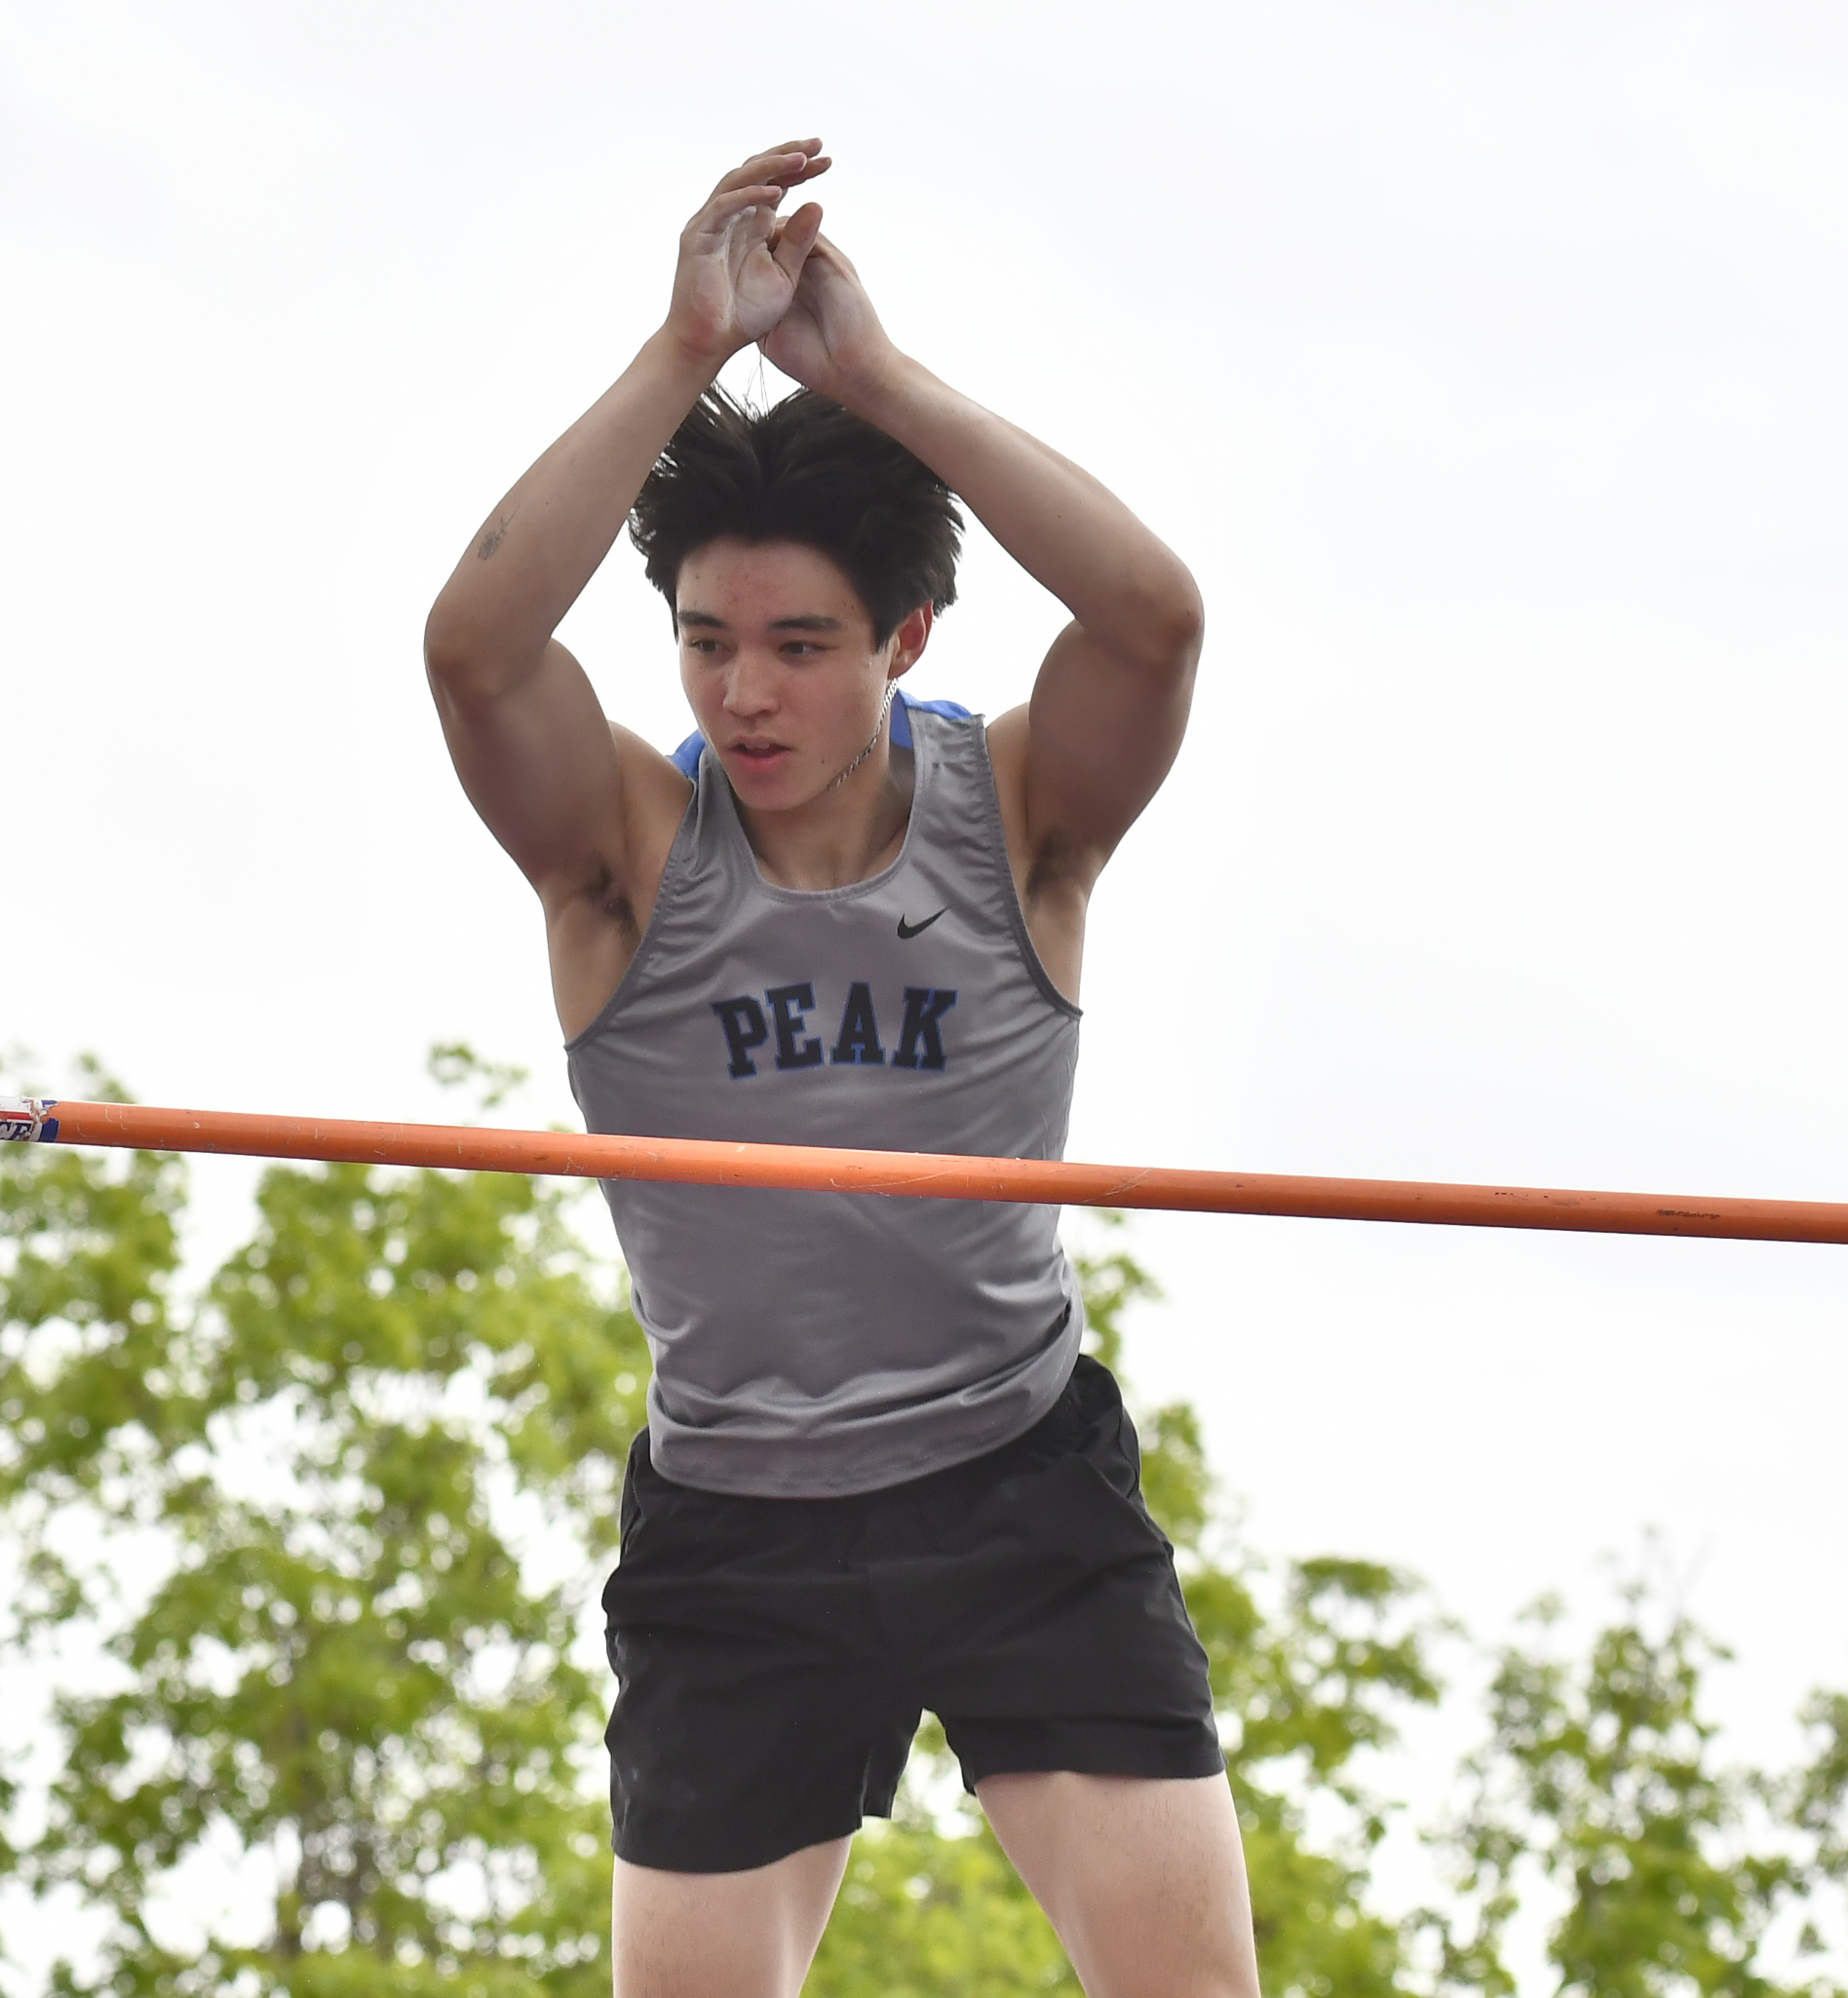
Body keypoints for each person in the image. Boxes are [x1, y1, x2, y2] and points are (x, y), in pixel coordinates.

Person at [421, 139, 1246, 1998]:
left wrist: (872, 385)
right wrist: (674, 356)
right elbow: (474, 654)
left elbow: (1154, 619)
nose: (744, 696)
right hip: (736, 1528)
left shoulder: (1018, 816)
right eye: (707, 645)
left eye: (799, 647)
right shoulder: (624, 853)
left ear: (907, 639)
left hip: (1017, 1483)